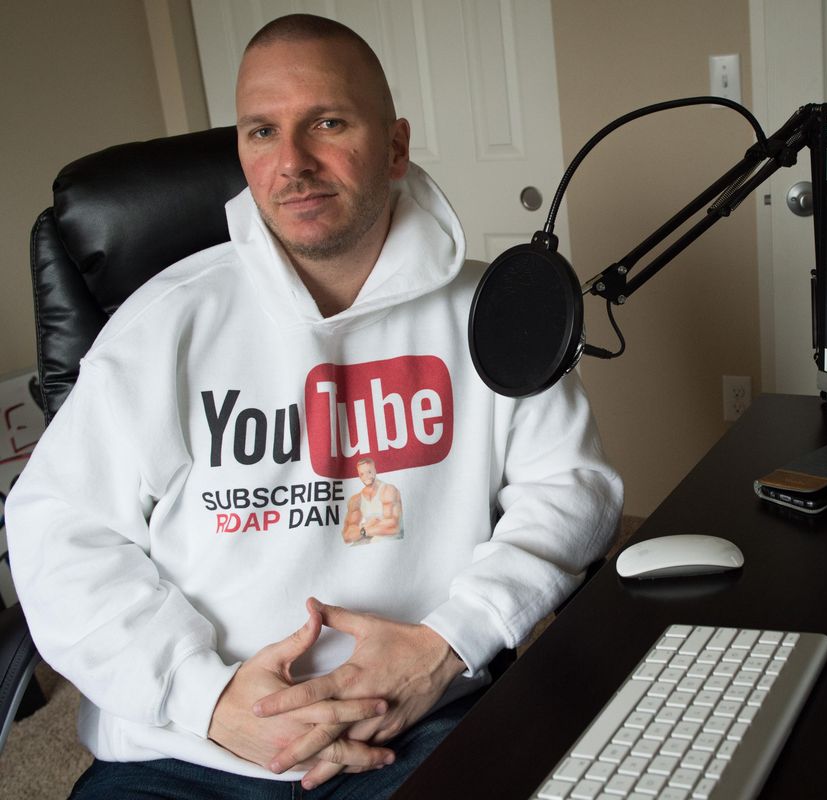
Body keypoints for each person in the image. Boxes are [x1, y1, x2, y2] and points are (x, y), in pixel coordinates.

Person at [6, 14, 622, 799]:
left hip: (421, 717)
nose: (291, 162)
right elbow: (60, 534)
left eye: (327, 122)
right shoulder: (163, 324)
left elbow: (572, 488)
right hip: (190, 750)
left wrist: (445, 645)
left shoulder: (491, 313)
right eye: (262, 131)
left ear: (395, 146)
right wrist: (209, 699)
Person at [343, 457, 402, 544]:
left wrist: (364, 530)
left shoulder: (388, 490)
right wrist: (368, 525)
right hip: (365, 547)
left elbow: (394, 527)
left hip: (389, 543)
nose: (366, 476)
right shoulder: (355, 500)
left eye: (369, 472)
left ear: (375, 470)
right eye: (362, 474)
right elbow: (347, 536)